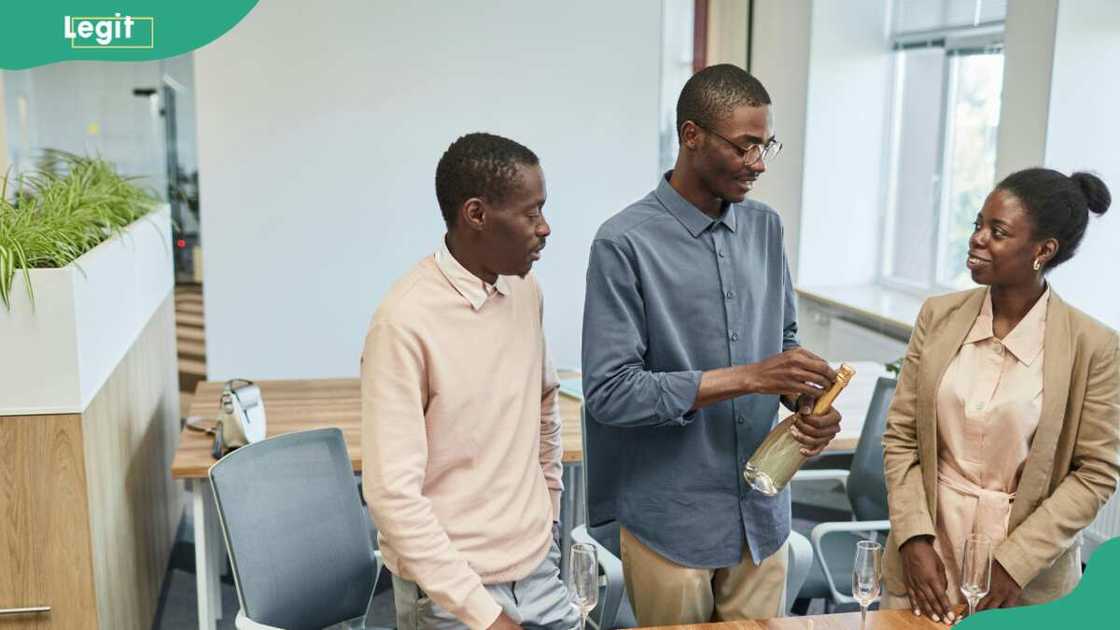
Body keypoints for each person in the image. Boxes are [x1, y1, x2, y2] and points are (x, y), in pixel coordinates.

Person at [581, 64, 842, 626]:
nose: (759, 163)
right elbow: (610, 393)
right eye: (745, 146)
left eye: (765, 144)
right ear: (691, 135)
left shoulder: (766, 228)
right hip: (669, 521)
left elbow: (785, 343)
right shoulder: (623, 243)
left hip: (763, 514)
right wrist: (750, 378)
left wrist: (806, 406)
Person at [881, 168, 1119, 624]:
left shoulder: (1094, 345)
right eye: (977, 225)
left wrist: (1017, 562)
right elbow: (901, 437)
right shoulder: (938, 315)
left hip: (1023, 578)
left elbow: (1096, 472)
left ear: (1042, 250)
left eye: (998, 231)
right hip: (927, 558)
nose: (976, 239)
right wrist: (913, 538)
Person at [362, 132, 576, 630]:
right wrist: (482, 614)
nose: (545, 228)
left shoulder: (526, 289)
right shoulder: (403, 322)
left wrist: (549, 513)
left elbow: (545, 406)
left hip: (538, 569)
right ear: (476, 214)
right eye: (531, 213)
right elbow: (392, 495)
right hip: (451, 595)